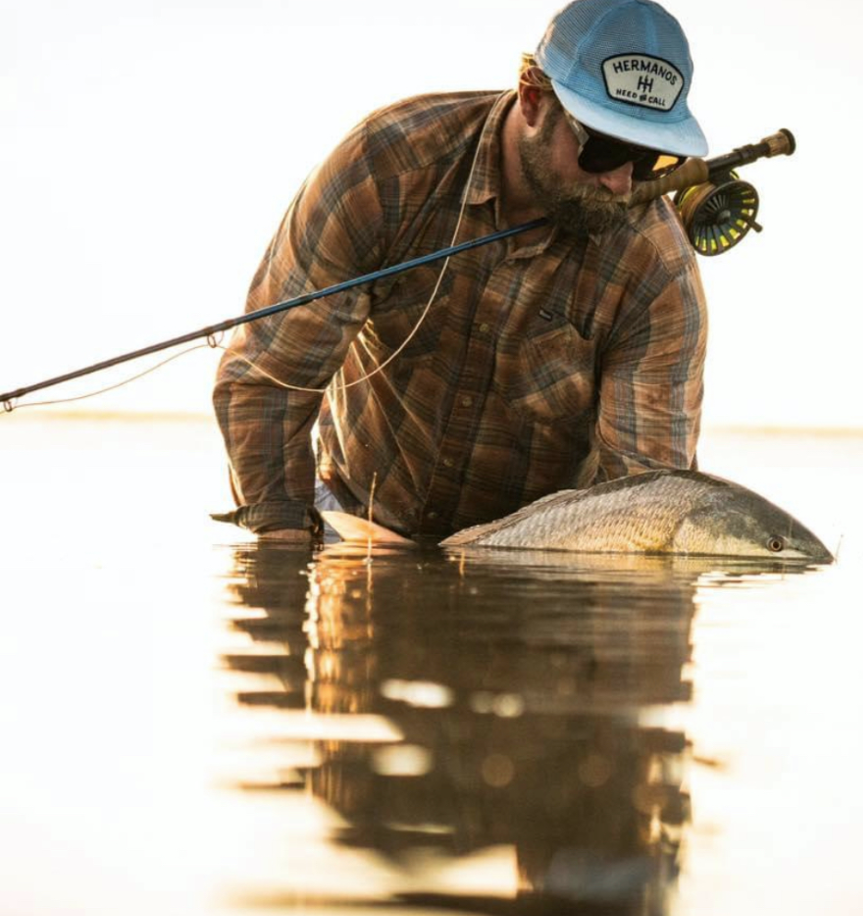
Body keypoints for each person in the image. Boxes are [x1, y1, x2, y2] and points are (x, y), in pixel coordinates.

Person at [213, 0, 709, 541]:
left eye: (651, 160)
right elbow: (270, 379)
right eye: (604, 147)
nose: (620, 182)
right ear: (532, 97)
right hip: (357, 522)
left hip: (536, 555)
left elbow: (646, 498)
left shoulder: (658, 274)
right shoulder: (386, 166)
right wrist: (281, 556)